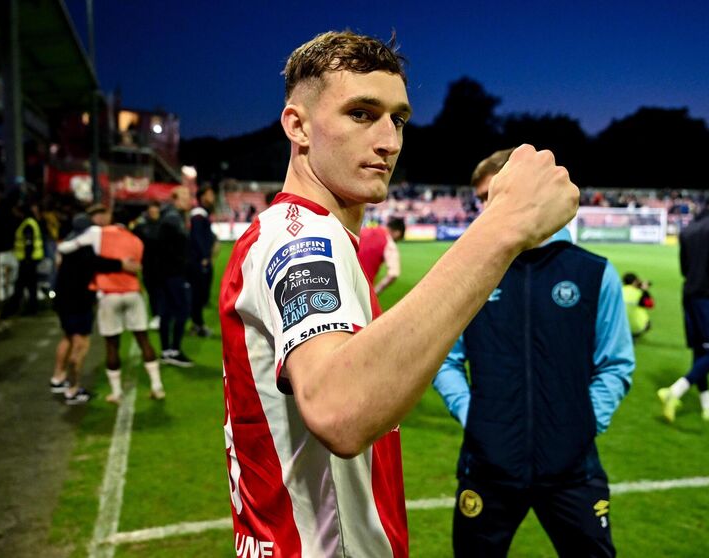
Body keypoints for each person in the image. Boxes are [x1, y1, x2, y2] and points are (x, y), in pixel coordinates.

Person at [219, 31, 578, 557]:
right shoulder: (302, 239)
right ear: (297, 125)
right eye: (361, 114)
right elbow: (339, 409)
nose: (389, 140)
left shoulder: (297, 233)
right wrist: (503, 226)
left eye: (399, 119)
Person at [433, 148, 634, 558]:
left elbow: (615, 364)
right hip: (488, 467)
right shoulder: (469, 273)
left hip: (573, 470)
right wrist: (476, 417)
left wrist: (583, 422)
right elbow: (445, 360)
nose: (486, 209)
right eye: (482, 199)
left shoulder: (594, 273)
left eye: (495, 194)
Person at [58, 206, 165, 403]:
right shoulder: (136, 240)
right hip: (133, 292)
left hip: (108, 294)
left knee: (112, 344)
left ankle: (115, 392)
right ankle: (157, 385)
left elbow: (70, 248)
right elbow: (138, 265)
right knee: (143, 339)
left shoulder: (100, 233)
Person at [658, 195, 709, 423]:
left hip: (689, 294)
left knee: (700, 350)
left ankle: (708, 405)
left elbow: (685, 268)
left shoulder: (689, 227)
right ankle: (675, 391)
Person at [51, 211, 140, 404]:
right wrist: (121, 264)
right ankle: (73, 389)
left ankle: (58, 378)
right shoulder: (84, 248)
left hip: (63, 299)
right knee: (81, 344)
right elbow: (96, 263)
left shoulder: (69, 245)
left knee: (68, 337)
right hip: (78, 300)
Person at [157, 185, 193, 366]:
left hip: (168, 273)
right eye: (184, 195)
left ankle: (166, 351)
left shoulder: (173, 216)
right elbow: (167, 249)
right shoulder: (172, 219)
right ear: (175, 198)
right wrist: (182, 266)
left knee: (167, 312)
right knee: (182, 310)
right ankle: (174, 351)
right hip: (173, 274)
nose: (188, 198)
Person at [188, 184, 218, 337]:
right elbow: (197, 237)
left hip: (201, 260)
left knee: (200, 295)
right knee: (198, 295)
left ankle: (197, 324)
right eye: (210, 194)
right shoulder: (198, 214)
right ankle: (197, 325)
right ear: (202, 196)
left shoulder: (203, 213)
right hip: (199, 262)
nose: (213, 197)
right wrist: (205, 257)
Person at [6, 203, 44, 315]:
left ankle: (14, 308)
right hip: (31, 259)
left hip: (28, 260)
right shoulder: (29, 222)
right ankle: (30, 308)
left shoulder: (27, 224)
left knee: (22, 285)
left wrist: (27, 258)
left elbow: (29, 242)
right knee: (30, 285)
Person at [132, 200, 162, 330]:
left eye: (155, 209)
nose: (153, 211)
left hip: (163, 264)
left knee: (162, 291)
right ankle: (156, 315)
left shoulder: (164, 225)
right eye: (151, 209)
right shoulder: (141, 226)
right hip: (148, 264)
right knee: (152, 291)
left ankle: (162, 315)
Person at [357, 217, 405, 295]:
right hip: (362, 288)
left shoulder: (364, 230)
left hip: (343, 280)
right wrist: (374, 293)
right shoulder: (389, 243)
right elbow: (393, 274)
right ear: (397, 233)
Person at [622, 272, 654, 338]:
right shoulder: (639, 293)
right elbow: (650, 304)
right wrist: (645, 291)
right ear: (635, 282)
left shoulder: (619, 290)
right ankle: (634, 334)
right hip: (635, 326)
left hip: (619, 325)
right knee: (648, 323)